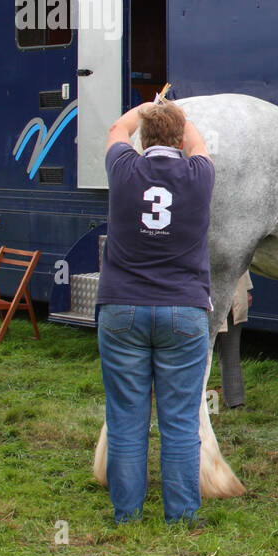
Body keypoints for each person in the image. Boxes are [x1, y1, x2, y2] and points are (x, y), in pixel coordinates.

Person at [96, 99, 214, 524]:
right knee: (180, 420)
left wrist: (145, 107)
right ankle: (181, 516)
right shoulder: (200, 175)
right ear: (180, 139)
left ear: (144, 139)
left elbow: (114, 129)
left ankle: (127, 515)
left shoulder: (124, 169)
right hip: (184, 311)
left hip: (122, 308)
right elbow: (196, 142)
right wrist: (178, 115)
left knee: (126, 418)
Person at [216, 272, 253, 409]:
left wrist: (247, 289)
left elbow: (241, 259)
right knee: (199, 358)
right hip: (207, 299)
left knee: (231, 352)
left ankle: (236, 403)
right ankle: (197, 405)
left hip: (233, 298)